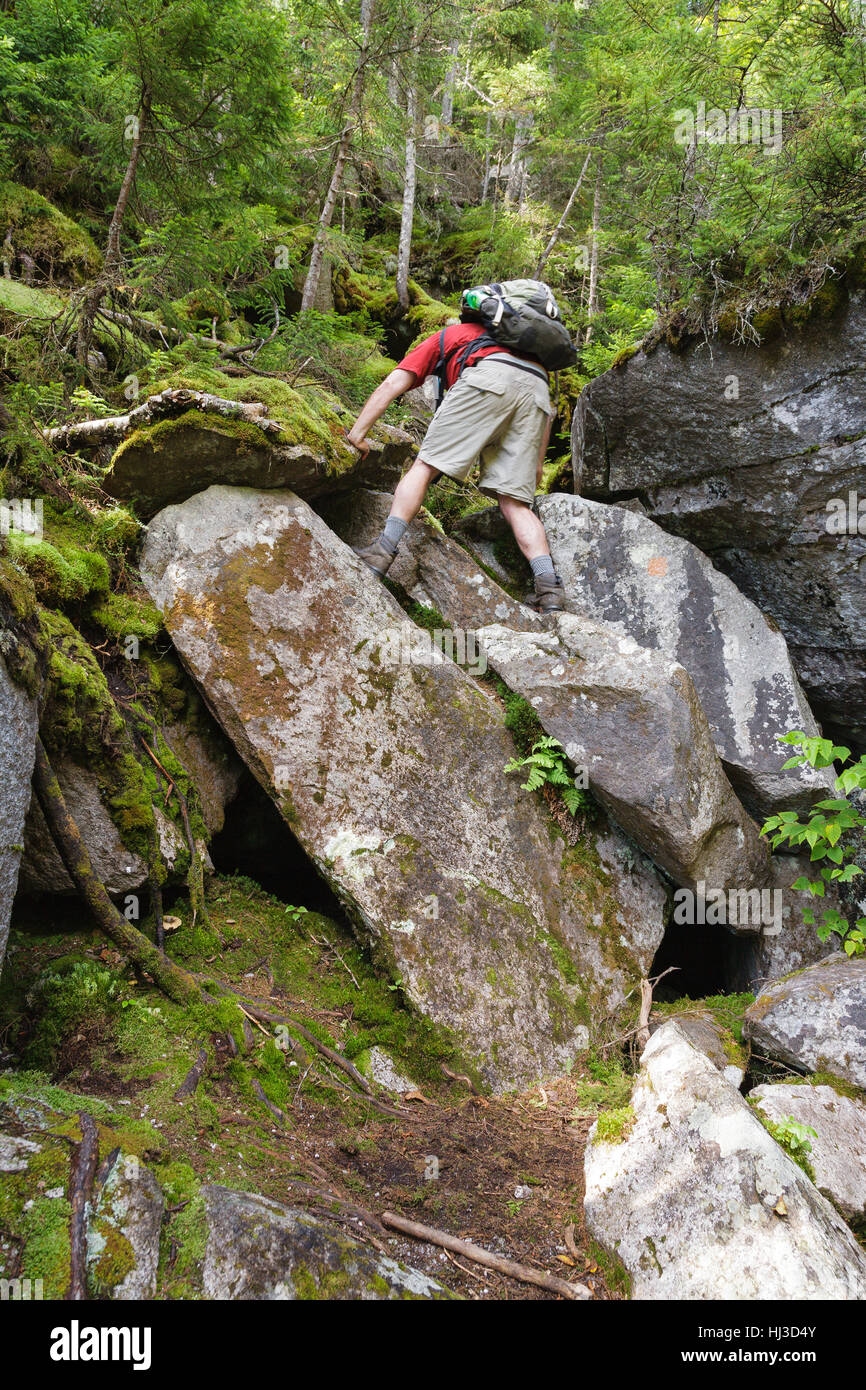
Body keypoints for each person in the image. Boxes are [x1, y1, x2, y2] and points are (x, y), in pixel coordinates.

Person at [344, 317, 565, 612]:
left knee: (424, 467)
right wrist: (537, 465)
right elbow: (546, 413)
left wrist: (358, 433)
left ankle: (381, 552)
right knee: (515, 504)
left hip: (489, 379)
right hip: (537, 388)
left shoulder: (450, 336)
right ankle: (549, 590)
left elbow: (393, 383)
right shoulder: (525, 350)